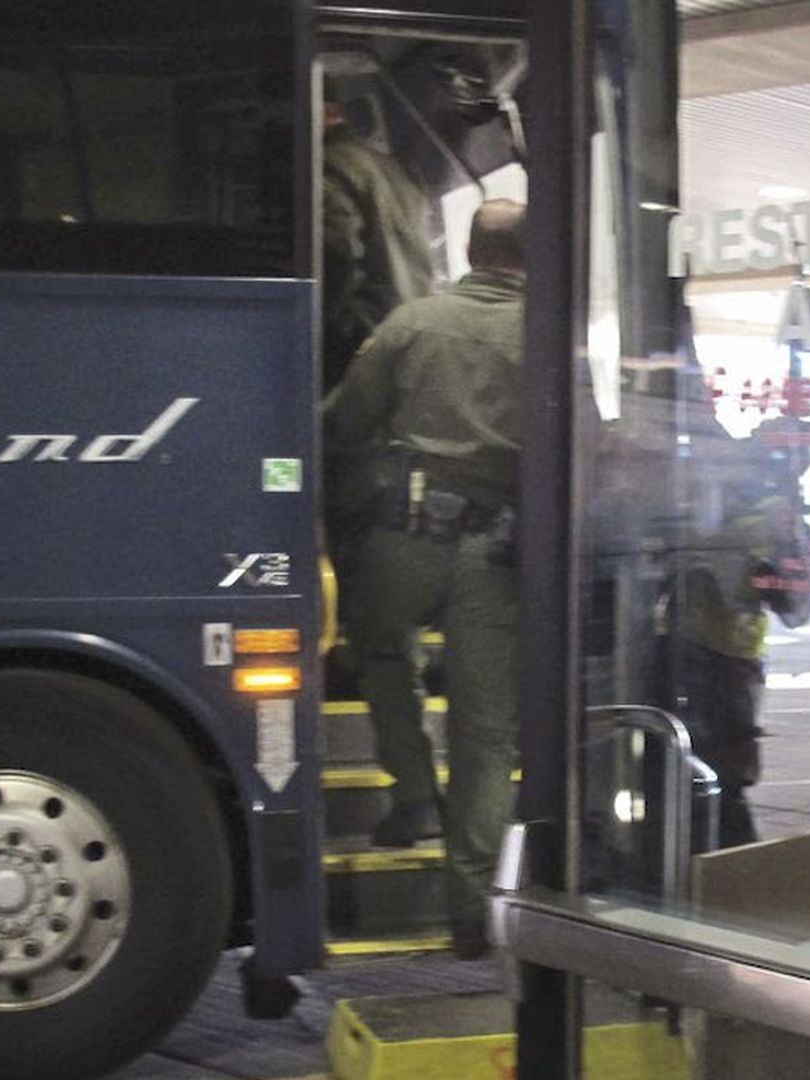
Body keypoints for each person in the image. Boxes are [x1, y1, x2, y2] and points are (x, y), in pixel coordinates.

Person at [324, 199, 526, 959]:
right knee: (485, 732)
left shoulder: (412, 323)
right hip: (498, 554)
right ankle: (472, 913)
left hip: (406, 536)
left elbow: (346, 423)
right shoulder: (549, 334)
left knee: (382, 655)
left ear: (471, 251)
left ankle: (412, 797)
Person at [653, 461, 810, 849]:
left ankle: (728, 864)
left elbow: (794, 604)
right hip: (694, 654)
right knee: (697, 775)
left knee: (721, 780)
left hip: (724, 661)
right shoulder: (695, 507)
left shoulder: (764, 517)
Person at [321, 96, 434, 394]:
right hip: (406, 330)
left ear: (329, 110)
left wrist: (318, 325)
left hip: (356, 340)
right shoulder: (398, 169)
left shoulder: (328, 163)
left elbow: (336, 254)